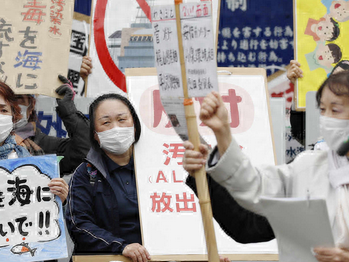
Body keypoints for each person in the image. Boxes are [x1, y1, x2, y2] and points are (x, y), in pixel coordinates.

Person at [183, 70, 349, 261]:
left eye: (335, 110)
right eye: (322, 109)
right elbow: (254, 187)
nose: (326, 119)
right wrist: (223, 134)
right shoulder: (309, 166)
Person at [65, 93, 150, 262]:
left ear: (134, 125)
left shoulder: (157, 167)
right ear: (95, 134)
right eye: (106, 122)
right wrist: (121, 246)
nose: (115, 128)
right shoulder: (85, 173)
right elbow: (79, 225)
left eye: (122, 119)